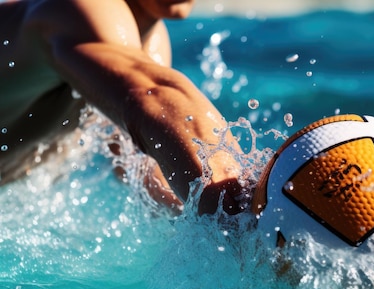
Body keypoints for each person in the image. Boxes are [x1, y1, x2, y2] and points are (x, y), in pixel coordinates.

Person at [0, 0, 244, 215]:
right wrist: (238, 212)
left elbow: (138, 165)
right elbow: (152, 97)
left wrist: (210, 211)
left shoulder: (149, 44)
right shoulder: (75, 8)